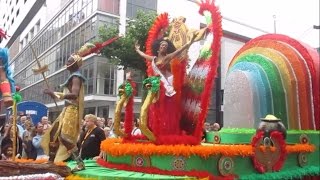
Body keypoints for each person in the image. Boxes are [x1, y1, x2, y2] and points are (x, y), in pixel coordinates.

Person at [135, 33, 197, 135]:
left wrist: (190, 41)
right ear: (159, 48)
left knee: (167, 110)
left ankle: (167, 132)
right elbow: (144, 55)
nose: (164, 46)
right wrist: (137, 50)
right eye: (162, 45)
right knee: (154, 107)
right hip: (156, 86)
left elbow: (179, 50)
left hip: (166, 87)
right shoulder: (154, 59)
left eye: (166, 46)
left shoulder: (168, 57)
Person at [41, 54, 86, 171]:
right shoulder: (73, 77)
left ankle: (80, 164)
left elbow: (74, 95)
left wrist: (56, 95)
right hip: (66, 109)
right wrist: (54, 94)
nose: (66, 63)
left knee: (65, 138)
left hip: (72, 110)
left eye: (69, 61)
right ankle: (50, 161)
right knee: (53, 134)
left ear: (75, 64)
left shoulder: (76, 77)